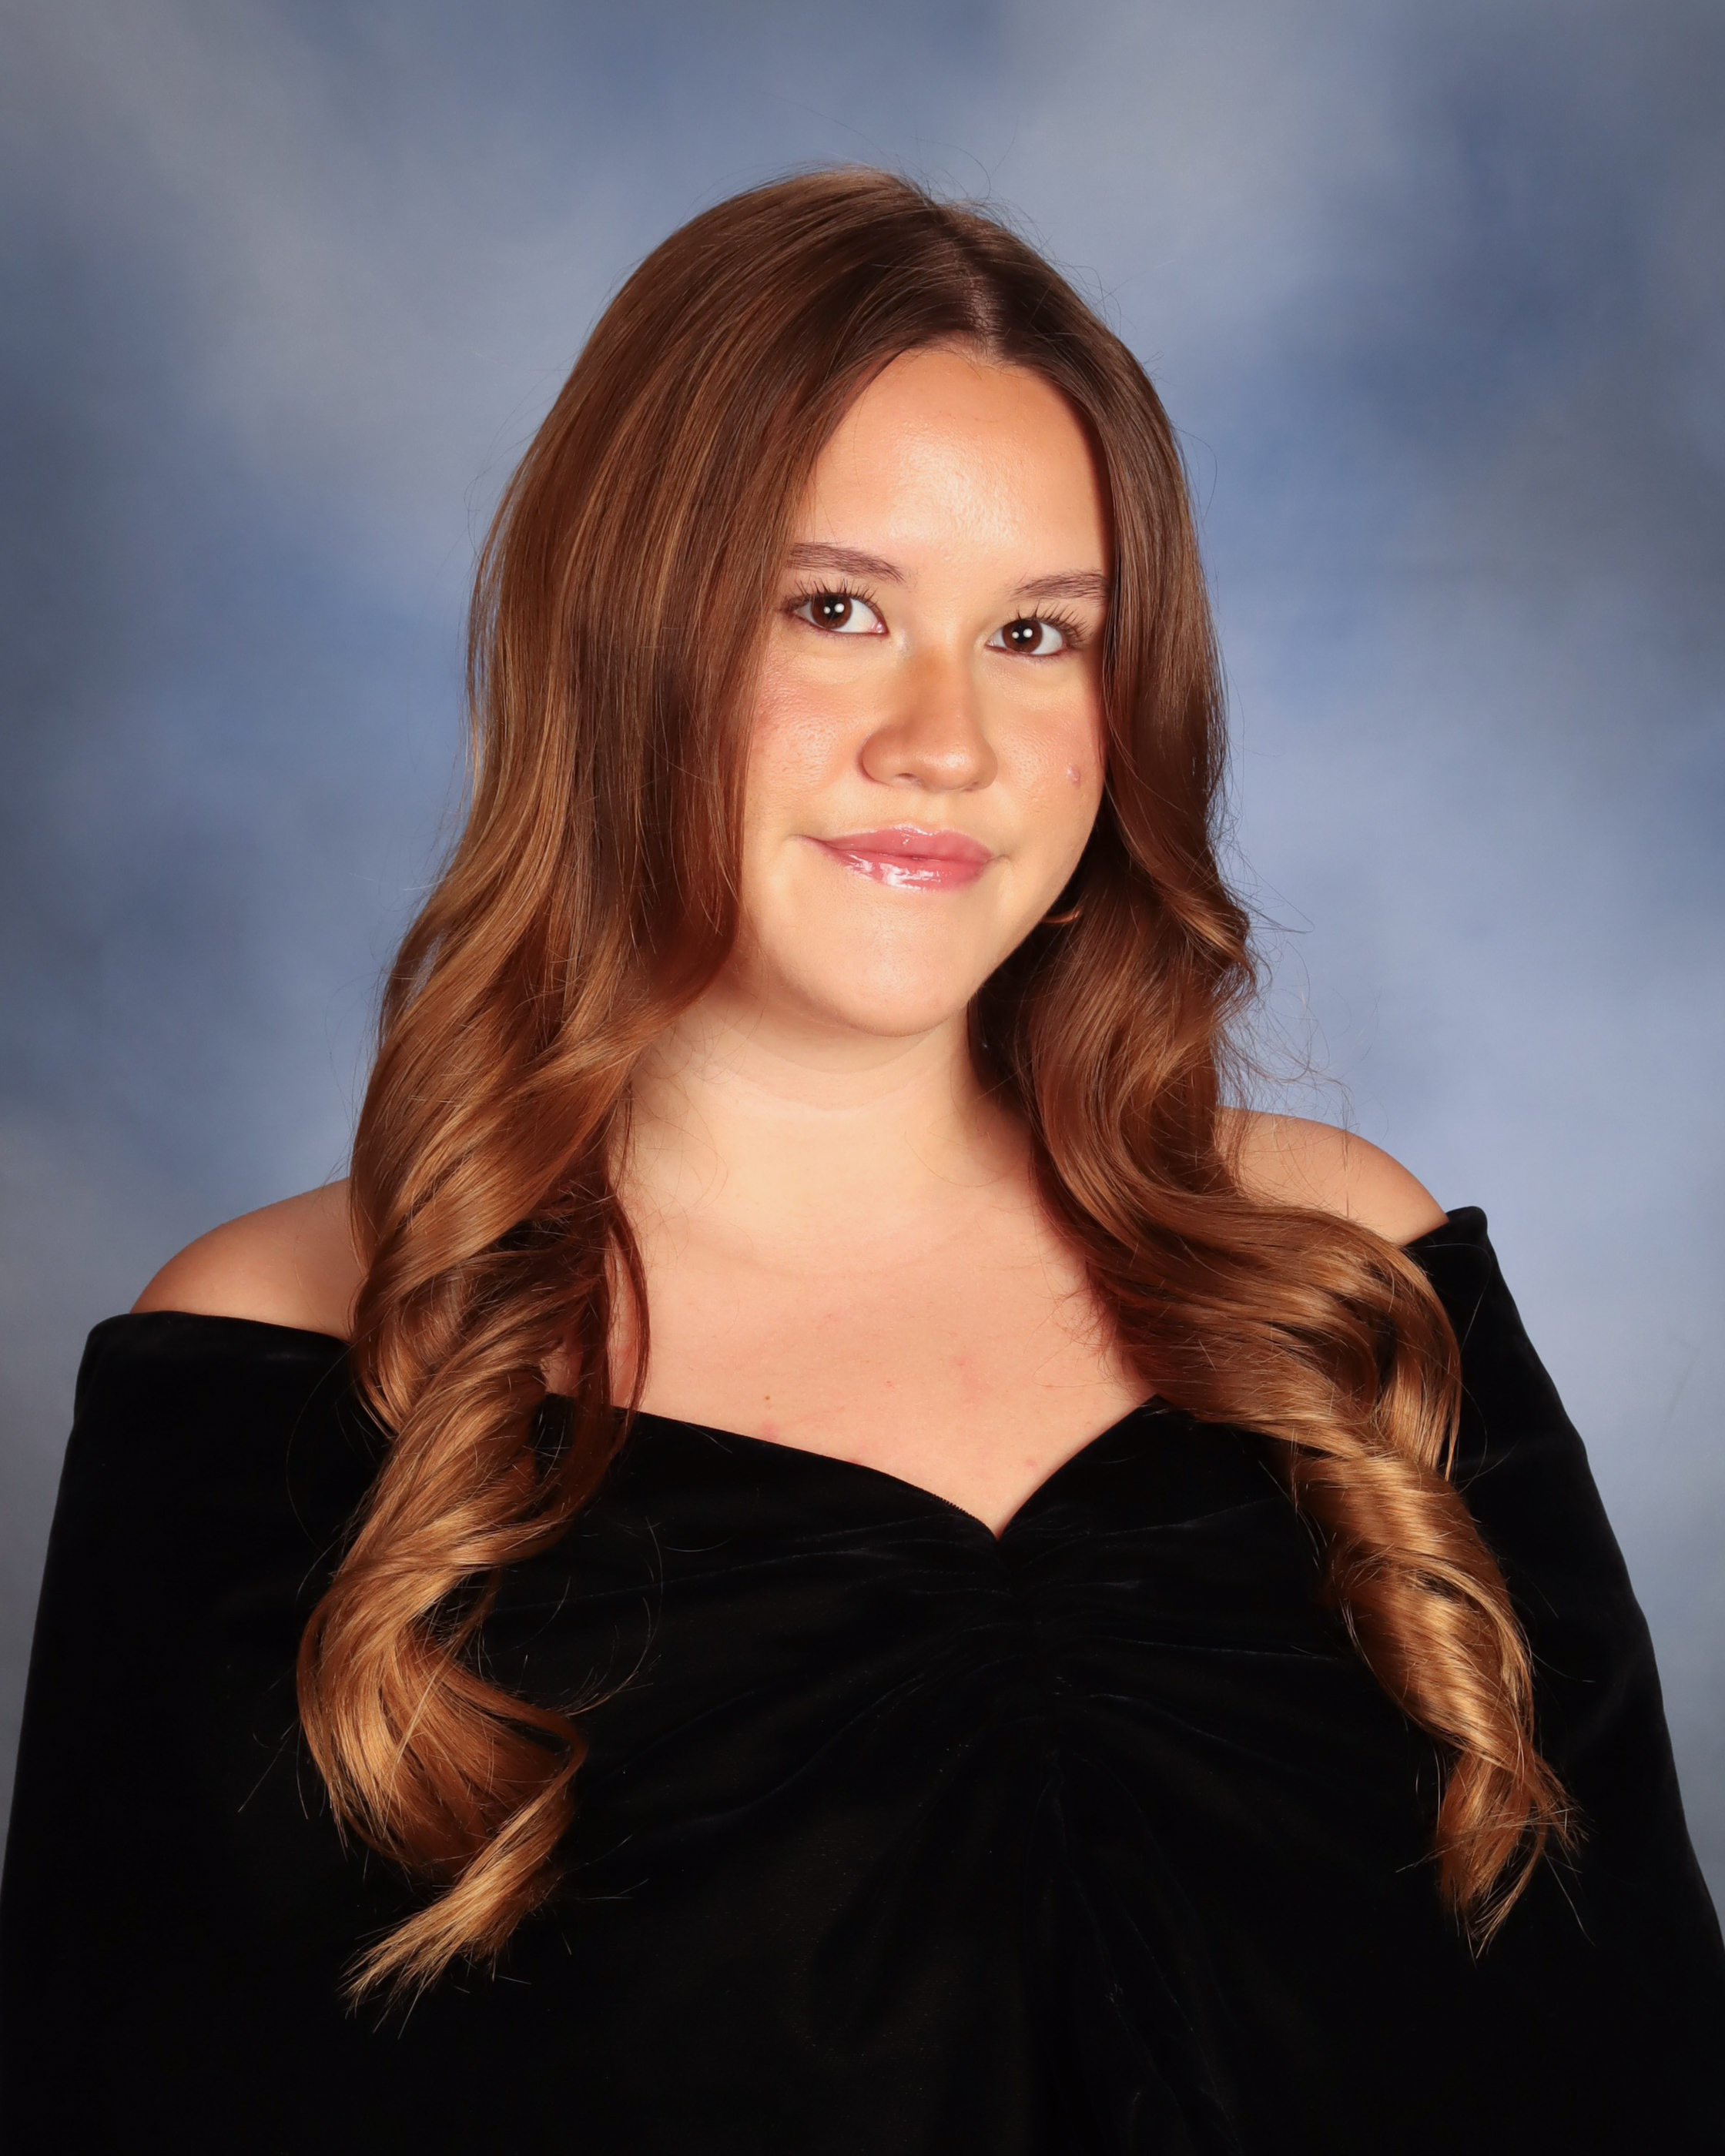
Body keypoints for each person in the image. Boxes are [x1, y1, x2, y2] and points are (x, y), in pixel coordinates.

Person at [2, 169, 1720, 2154]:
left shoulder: (1348, 1277)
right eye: (837, 610)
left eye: (1038, 633)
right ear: (621, 640)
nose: (946, 740)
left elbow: (1646, 2055)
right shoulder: (276, 1355)